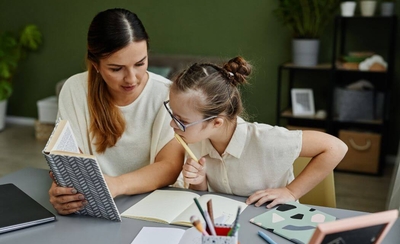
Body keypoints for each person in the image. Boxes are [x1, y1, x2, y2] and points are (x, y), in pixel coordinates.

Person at [48, 8, 184, 215]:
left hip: (152, 205)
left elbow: (169, 166)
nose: (131, 78)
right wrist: (63, 191)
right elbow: (70, 159)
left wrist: (116, 186)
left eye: (140, 63)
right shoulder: (74, 90)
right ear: (96, 65)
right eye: (116, 69)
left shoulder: (167, 94)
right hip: (94, 207)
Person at [165, 56, 348, 209]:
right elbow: (206, 200)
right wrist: (199, 181)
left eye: (182, 120)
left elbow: (336, 147)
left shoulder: (267, 140)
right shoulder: (195, 138)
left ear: (217, 123)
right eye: (173, 114)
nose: (173, 123)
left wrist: (291, 191)